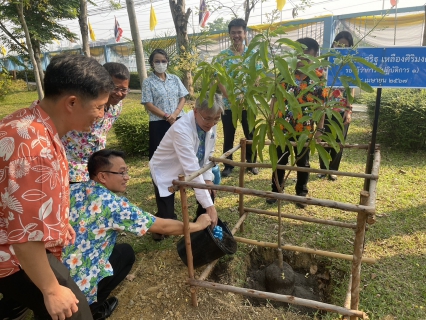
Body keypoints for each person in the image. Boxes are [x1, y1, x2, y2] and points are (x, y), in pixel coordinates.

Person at [0, 54, 114, 320]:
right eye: (99, 107)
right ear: (72, 103)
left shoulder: (27, 121)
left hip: (19, 246)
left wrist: (58, 222)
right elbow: (25, 237)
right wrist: (51, 290)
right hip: (14, 257)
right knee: (74, 312)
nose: (101, 115)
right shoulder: (36, 150)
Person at [62, 149, 211, 320]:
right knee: (126, 254)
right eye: (122, 172)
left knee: (114, 249)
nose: (127, 177)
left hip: (54, 271)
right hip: (76, 287)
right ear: (102, 176)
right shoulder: (114, 206)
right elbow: (162, 226)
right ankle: (91, 308)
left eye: (127, 171)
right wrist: (198, 225)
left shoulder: (73, 189)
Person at [149, 93, 224, 241]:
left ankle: (201, 226)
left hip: (191, 167)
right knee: (167, 216)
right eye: (208, 118)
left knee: (209, 193)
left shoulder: (210, 124)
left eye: (216, 119)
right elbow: (192, 169)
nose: (212, 123)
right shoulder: (181, 129)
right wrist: (211, 207)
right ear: (195, 111)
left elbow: (207, 154)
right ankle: (156, 228)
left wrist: (208, 179)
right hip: (165, 169)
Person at [266, 38, 326, 208]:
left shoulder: (318, 77)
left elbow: (322, 106)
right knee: (280, 159)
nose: (301, 60)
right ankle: (276, 190)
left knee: (303, 161)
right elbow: (274, 98)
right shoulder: (284, 73)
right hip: (282, 126)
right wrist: (270, 119)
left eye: (307, 57)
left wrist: (320, 129)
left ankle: (301, 192)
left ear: (314, 57)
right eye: (299, 55)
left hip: (305, 129)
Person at [62, 62, 130, 183]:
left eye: (123, 89)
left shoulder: (117, 107)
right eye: (115, 88)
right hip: (70, 169)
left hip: (96, 170)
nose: (119, 93)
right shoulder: (81, 103)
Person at [216, 18, 259, 177]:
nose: (236, 35)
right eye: (233, 32)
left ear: (244, 33)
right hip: (229, 104)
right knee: (228, 135)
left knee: (251, 134)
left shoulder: (253, 54)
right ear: (229, 34)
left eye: (239, 32)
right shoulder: (223, 56)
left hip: (249, 104)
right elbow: (220, 80)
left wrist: (246, 96)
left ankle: (251, 163)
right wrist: (232, 99)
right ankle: (228, 165)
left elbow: (257, 77)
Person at [318, 31, 354, 181]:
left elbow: (351, 88)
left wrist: (349, 110)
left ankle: (333, 170)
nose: (341, 48)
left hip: (341, 109)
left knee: (339, 140)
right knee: (324, 137)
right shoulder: (326, 62)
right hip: (325, 108)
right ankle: (323, 168)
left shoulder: (349, 63)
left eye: (345, 46)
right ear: (333, 44)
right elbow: (319, 83)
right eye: (338, 44)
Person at [142, 49, 189, 159]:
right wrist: (167, 116)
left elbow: (183, 97)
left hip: (178, 119)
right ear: (152, 63)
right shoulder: (148, 82)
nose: (160, 64)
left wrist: (175, 114)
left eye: (163, 61)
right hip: (159, 123)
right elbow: (149, 104)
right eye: (157, 61)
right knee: (160, 154)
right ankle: (159, 176)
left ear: (167, 62)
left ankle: (181, 175)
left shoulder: (174, 79)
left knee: (181, 151)